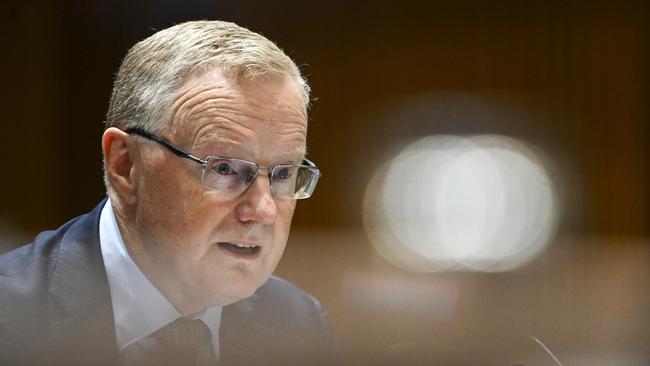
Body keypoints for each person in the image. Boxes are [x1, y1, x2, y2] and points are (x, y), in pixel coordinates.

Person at [0, 20, 337, 366]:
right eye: (224, 169)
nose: (264, 210)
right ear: (126, 165)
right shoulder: (9, 322)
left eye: (284, 173)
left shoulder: (298, 326)